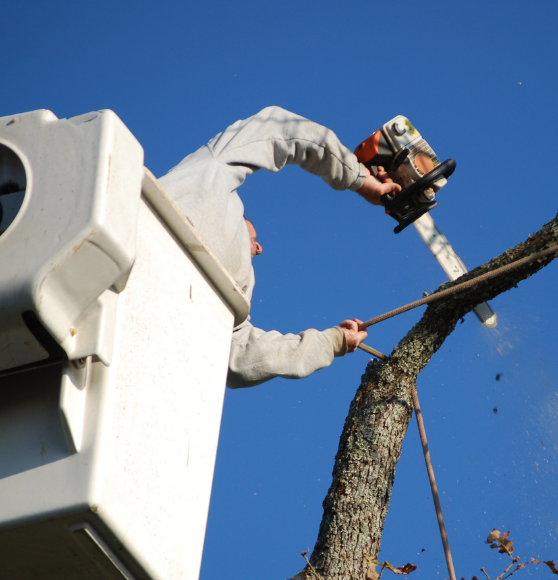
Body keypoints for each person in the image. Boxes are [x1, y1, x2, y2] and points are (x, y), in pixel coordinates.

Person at [159, 106, 400, 388]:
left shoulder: (234, 309)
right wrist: (359, 179)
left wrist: (333, 341)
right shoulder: (209, 178)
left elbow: (243, 360)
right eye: (253, 234)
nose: (259, 248)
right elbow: (280, 129)